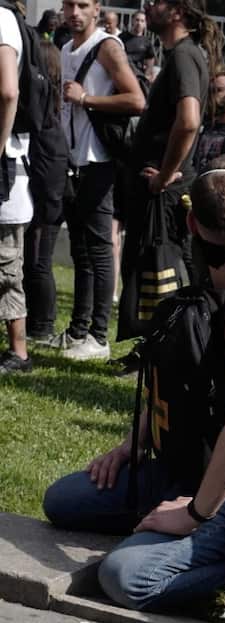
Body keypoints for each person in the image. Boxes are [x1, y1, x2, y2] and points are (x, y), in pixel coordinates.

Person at [44, 155, 225, 612]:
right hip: (194, 463)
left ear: (192, 225)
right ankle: (169, 531)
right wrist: (133, 443)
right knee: (63, 502)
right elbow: (186, 380)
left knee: (124, 579)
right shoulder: (215, 292)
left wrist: (194, 514)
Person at [116, 0, 213, 343]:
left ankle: (164, 347)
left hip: (164, 190)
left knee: (163, 269)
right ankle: (151, 348)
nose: (148, 6)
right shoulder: (181, 54)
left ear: (177, 11)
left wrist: (164, 173)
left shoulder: (185, 55)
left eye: (157, 2)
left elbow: (188, 121)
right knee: (148, 267)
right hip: (158, 186)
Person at [57, 0, 145, 361]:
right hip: (73, 161)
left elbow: (137, 99)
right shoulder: (67, 48)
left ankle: (98, 334)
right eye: (68, 5)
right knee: (80, 248)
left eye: (82, 5)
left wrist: (88, 98)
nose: (74, 12)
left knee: (98, 248)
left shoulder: (107, 46)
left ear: (96, 10)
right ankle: (78, 330)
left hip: (100, 161)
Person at [22, 40, 65, 354]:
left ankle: (43, 325)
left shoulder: (46, 118)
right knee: (35, 263)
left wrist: (45, 211)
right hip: (43, 200)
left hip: (46, 204)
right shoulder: (47, 110)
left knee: (39, 263)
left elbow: (49, 170)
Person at [0, 0, 34, 373]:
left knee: (7, 263)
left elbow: (9, 92)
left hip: (8, 167)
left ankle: (19, 352)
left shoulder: (2, 18)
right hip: (10, 163)